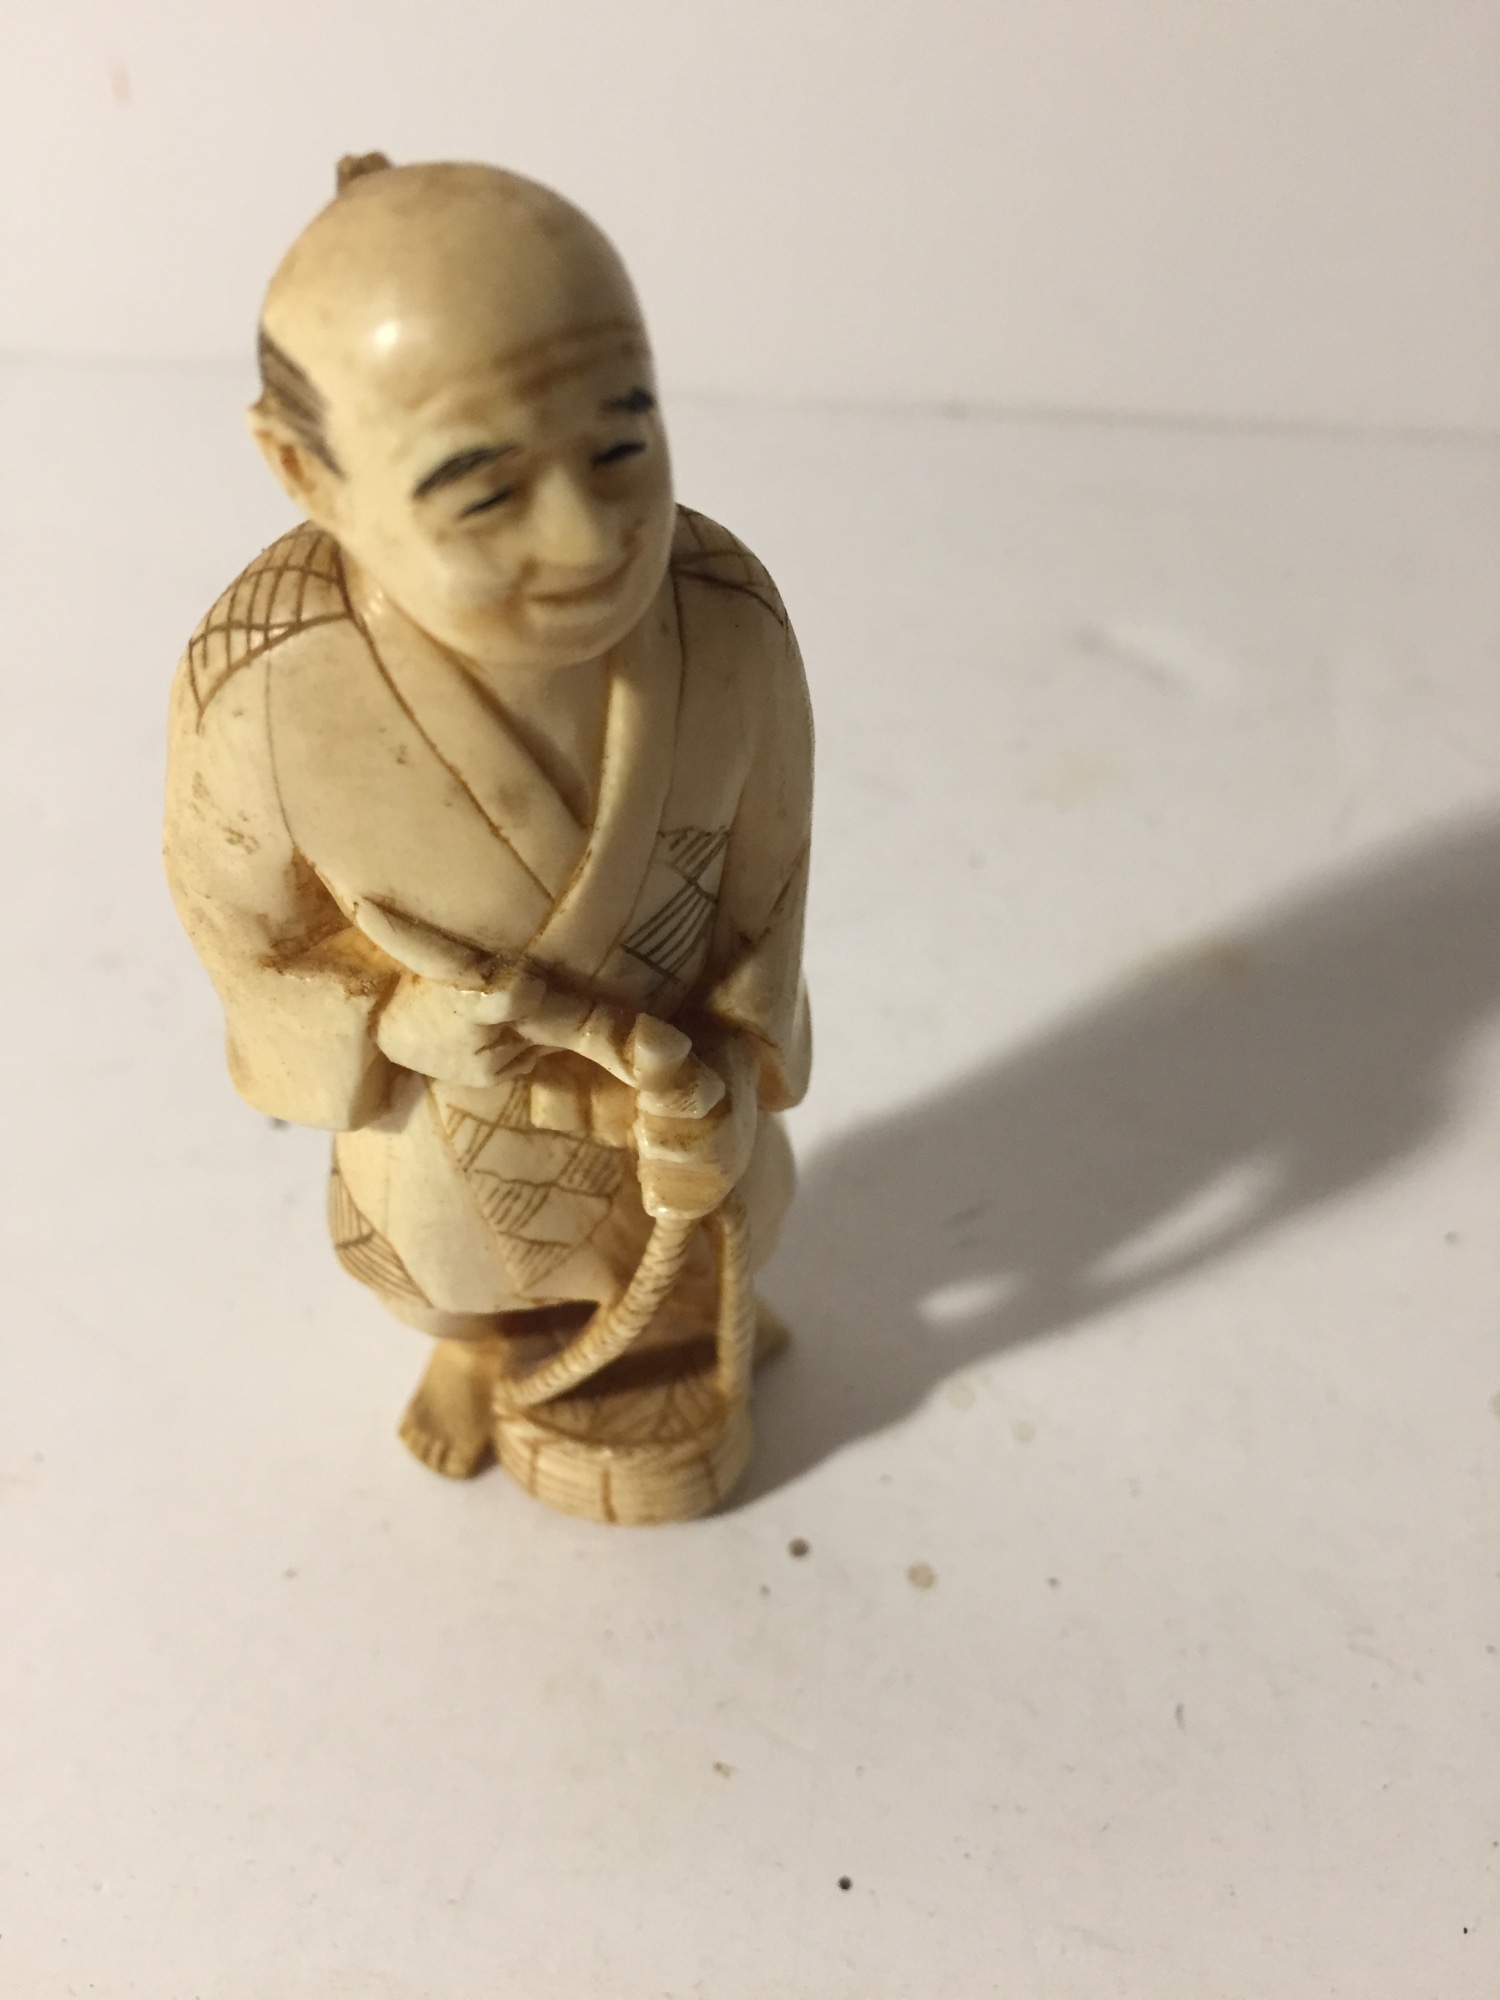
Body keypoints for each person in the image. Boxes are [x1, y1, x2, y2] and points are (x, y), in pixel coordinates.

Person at [163, 157, 812, 1518]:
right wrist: (390, 1024)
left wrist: (735, 1064)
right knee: (440, 1254)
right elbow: (240, 931)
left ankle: (707, 1309)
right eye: (481, 488)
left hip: (671, 1079)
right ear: (305, 471)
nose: (588, 535)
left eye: (621, 446)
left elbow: (771, 891)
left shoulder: (727, 620)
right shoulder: (268, 684)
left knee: (728, 1208)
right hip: (450, 1111)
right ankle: (475, 1353)